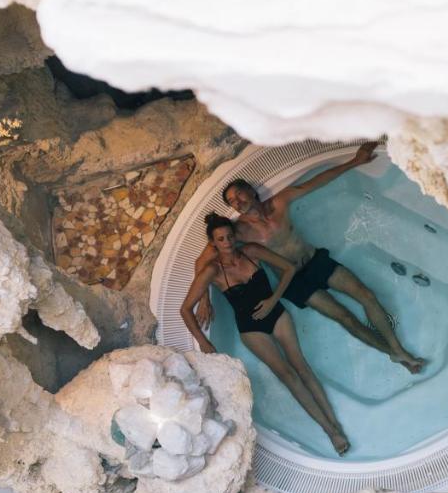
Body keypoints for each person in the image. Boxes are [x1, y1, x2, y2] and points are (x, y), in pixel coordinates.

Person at [193, 140, 426, 373]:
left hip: (316, 262)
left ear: (252, 192)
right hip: (293, 282)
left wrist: (355, 161)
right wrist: (204, 298)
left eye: (240, 195)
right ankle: (393, 354)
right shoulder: (237, 231)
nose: (238, 202)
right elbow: (201, 262)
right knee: (344, 317)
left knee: (367, 296)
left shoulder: (280, 202)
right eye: (232, 202)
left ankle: (398, 350)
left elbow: (316, 182)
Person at [181, 214, 350, 455]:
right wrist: (203, 342)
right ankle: (330, 431)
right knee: (288, 374)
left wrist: (273, 299)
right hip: (251, 328)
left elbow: (289, 268)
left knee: (302, 366)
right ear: (213, 243)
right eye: (221, 239)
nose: (228, 242)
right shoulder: (212, 271)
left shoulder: (250, 251)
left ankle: (336, 424)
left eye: (230, 236)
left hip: (277, 314)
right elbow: (185, 309)